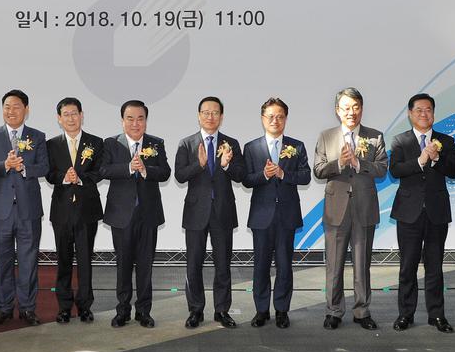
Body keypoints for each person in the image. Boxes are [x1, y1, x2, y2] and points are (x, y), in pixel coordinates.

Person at [313, 87, 388, 330]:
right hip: (336, 209)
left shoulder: (375, 137)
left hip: (364, 208)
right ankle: (333, 311)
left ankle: (362, 311)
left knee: (362, 264)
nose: (351, 112)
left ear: (361, 109)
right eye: (346, 108)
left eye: (356, 107)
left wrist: (358, 163)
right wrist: (340, 163)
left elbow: (382, 169)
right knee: (334, 265)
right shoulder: (326, 137)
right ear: (338, 110)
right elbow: (318, 170)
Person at [388, 93, 455, 333]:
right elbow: (395, 170)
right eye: (419, 110)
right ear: (410, 114)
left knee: (435, 266)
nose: (424, 114)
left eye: (428, 109)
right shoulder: (400, 141)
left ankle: (437, 315)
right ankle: (405, 314)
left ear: (434, 113)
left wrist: (437, 158)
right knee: (407, 266)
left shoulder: (445, 141)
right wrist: (420, 161)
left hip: (436, 212)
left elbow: (454, 171)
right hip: (408, 213)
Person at [174, 96, 247, 329]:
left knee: (223, 264)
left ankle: (222, 310)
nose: (210, 116)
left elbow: (241, 175)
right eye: (206, 112)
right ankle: (195, 310)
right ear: (199, 116)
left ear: (221, 117)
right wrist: (200, 164)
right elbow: (179, 175)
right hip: (196, 211)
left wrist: (226, 164)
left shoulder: (231, 143)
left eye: (215, 113)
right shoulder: (187, 144)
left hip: (223, 211)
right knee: (193, 264)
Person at [0, 90, 50, 326]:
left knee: (28, 260)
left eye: (16, 107)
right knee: (3, 261)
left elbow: (44, 167)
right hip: (0, 210)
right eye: (7, 107)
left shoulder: (37, 136)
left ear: (26, 110)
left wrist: (23, 168)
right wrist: (5, 164)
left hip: (28, 209)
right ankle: (4, 307)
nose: (11, 111)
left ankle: (28, 308)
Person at [243, 97, 312, 328]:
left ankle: (282, 310)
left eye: (280, 116)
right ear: (263, 118)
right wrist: (264, 175)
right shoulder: (251, 147)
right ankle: (261, 310)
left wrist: (283, 174)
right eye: (271, 116)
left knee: (284, 265)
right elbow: (246, 179)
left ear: (286, 119)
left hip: (287, 214)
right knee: (261, 265)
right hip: (261, 215)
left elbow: (305, 176)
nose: (275, 120)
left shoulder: (297, 146)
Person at [100, 100, 170, 328]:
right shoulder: (111, 143)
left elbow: (165, 172)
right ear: (122, 121)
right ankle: (122, 311)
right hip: (121, 215)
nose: (135, 123)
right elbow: (103, 169)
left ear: (146, 121)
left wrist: (146, 170)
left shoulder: (155, 143)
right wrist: (129, 167)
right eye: (130, 118)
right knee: (123, 265)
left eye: (140, 118)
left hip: (148, 214)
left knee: (145, 265)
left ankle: (144, 311)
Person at [45, 97, 103, 323]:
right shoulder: (52, 144)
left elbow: (100, 172)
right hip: (62, 210)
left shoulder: (95, 142)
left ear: (82, 115)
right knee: (64, 259)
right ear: (59, 119)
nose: (71, 118)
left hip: (87, 210)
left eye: (74, 113)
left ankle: (85, 306)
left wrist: (80, 178)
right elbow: (49, 174)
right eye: (66, 114)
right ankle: (64, 307)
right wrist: (63, 177)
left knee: (85, 260)